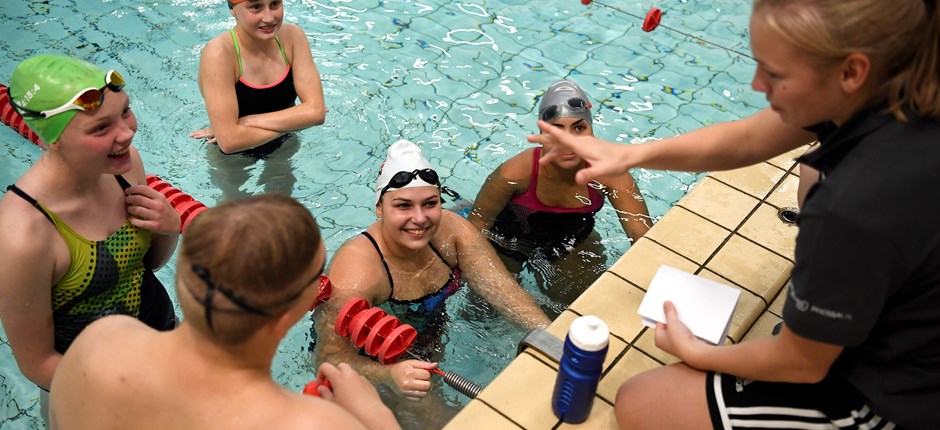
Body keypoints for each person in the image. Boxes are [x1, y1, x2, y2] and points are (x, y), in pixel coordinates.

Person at [530, 0, 940, 428]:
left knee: (640, 403)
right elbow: (745, 139)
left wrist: (697, 352)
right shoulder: (891, 88)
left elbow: (803, 363)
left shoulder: (851, 203)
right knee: (810, 172)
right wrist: (631, 154)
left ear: (852, 71)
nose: (758, 84)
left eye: (776, 74)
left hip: (903, 398)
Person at [48, 194, 400, 430]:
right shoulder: (311, 423)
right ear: (291, 312)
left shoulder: (99, 342)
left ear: (184, 277)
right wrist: (376, 416)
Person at [313, 139, 551, 427]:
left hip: (428, 341)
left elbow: (505, 292)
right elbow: (329, 360)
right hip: (380, 363)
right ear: (379, 207)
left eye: (430, 204)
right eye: (403, 206)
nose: (420, 219)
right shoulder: (358, 273)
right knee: (444, 420)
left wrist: (552, 339)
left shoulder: (453, 233)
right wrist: (389, 375)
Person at [0, 54, 180, 427]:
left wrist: (168, 227)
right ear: (53, 139)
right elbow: (37, 362)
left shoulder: (125, 165)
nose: (127, 133)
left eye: (126, 112)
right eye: (101, 129)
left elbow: (146, 267)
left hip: (165, 348)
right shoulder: (23, 235)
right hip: (91, 396)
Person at [469, 80, 651, 316]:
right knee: (483, 311)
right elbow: (478, 224)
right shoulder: (514, 173)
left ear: (592, 129)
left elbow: (643, 237)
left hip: (569, 237)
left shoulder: (611, 173)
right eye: (557, 130)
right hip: (509, 237)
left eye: (579, 128)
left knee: (580, 308)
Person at [190, 0, 326, 201]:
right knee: (234, 216)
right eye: (255, 7)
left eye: (274, 4)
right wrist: (298, 119)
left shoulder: (292, 37)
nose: (269, 17)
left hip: (284, 144)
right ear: (233, 10)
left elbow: (316, 113)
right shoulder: (219, 53)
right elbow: (229, 142)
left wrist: (246, 121)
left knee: (280, 213)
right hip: (233, 158)